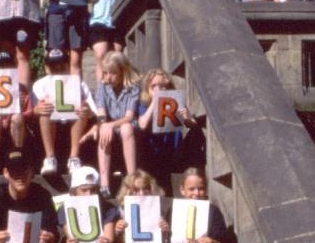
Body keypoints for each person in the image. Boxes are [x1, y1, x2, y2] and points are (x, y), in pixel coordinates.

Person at [32, 49, 96, 175]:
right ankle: (50, 158)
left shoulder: (79, 84)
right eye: (53, 66)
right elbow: (31, 112)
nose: (58, 68)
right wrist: (36, 110)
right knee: (45, 109)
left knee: (81, 106)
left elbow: (93, 112)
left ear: (67, 65)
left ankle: (74, 158)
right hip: (49, 128)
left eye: (61, 65)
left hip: (74, 127)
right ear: (47, 68)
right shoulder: (39, 84)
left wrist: (87, 111)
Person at [135, 68, 197, 189]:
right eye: (154, 86)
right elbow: (142, 124)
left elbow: (192, 124)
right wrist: (155, 101)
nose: (160, 89)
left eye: (163, 86)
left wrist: (187, 118)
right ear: (148, 89)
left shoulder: (174, 101)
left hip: (171, 150)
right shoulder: (144, 104)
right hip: (151, 151)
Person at [92, 51, 139, 198]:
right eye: (105, 73)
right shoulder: (103, 86)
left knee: (125, 128)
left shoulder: (133, 87)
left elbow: (129, 117)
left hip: (128, 124)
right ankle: (104, 180)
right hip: (110, 124)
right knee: (103, 129)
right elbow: (101, 114)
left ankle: (132, 177)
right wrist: (105, 125)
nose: (108, 77)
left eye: (113, 73)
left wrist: (110, 125)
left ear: (123, 71)